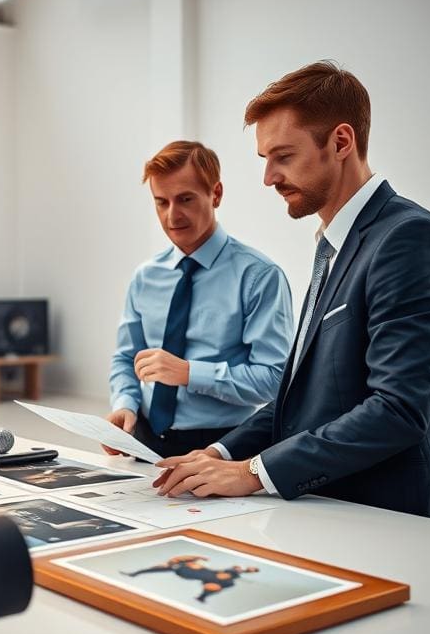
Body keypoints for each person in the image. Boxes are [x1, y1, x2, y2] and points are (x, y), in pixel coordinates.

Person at [153, 61, 430, 521]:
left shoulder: (408, 240)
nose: (268, 178)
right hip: (325, 498)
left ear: (341, 142)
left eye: (283, 156)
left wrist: (255, 473)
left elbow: (397, 410)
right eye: (265, 160)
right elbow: (297, 399)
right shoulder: (334, 243)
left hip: (388, 513)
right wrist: (221, 453)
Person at [106, 141, 294, 459]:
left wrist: (189, 372)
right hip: (144, 441)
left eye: (185, 199)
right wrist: (125, 404)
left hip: (225, 447)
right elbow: (127, 359)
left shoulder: (259, 276)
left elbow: (276, 380)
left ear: (215, 194)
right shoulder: (145, 277)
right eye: (161, 202)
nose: (171, 215)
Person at [122, 555, 260, 603]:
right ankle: (135, 573)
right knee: (170, 565)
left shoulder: (227, 580)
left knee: (212, 585)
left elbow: (217, 582)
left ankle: (201, 597)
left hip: (208, 577)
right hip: (198, 572)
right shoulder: (202, 568)